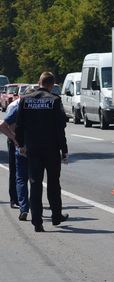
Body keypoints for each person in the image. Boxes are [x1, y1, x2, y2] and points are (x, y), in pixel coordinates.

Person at [15, 72, 69, 232]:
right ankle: (56, 216)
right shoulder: (54, 100)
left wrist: (21, 145)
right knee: (53, 184)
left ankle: (37, 222)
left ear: (39, 82)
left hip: (33, 150)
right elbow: (61, 128)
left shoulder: (25, 100)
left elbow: (18, 126)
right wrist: (64, 150)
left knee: (35, 184)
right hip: (51, 150)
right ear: (52, 85)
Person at [0, 89, 34, 220]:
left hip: (21, 145)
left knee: (21, 177)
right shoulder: (15, 106)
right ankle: (22, 203)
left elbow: (4, 125)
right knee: (29, 177)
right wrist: (14, 139)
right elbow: (5, 125)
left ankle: (24, 207)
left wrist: (16, 140)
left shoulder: (19, 107)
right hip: (29, 145)